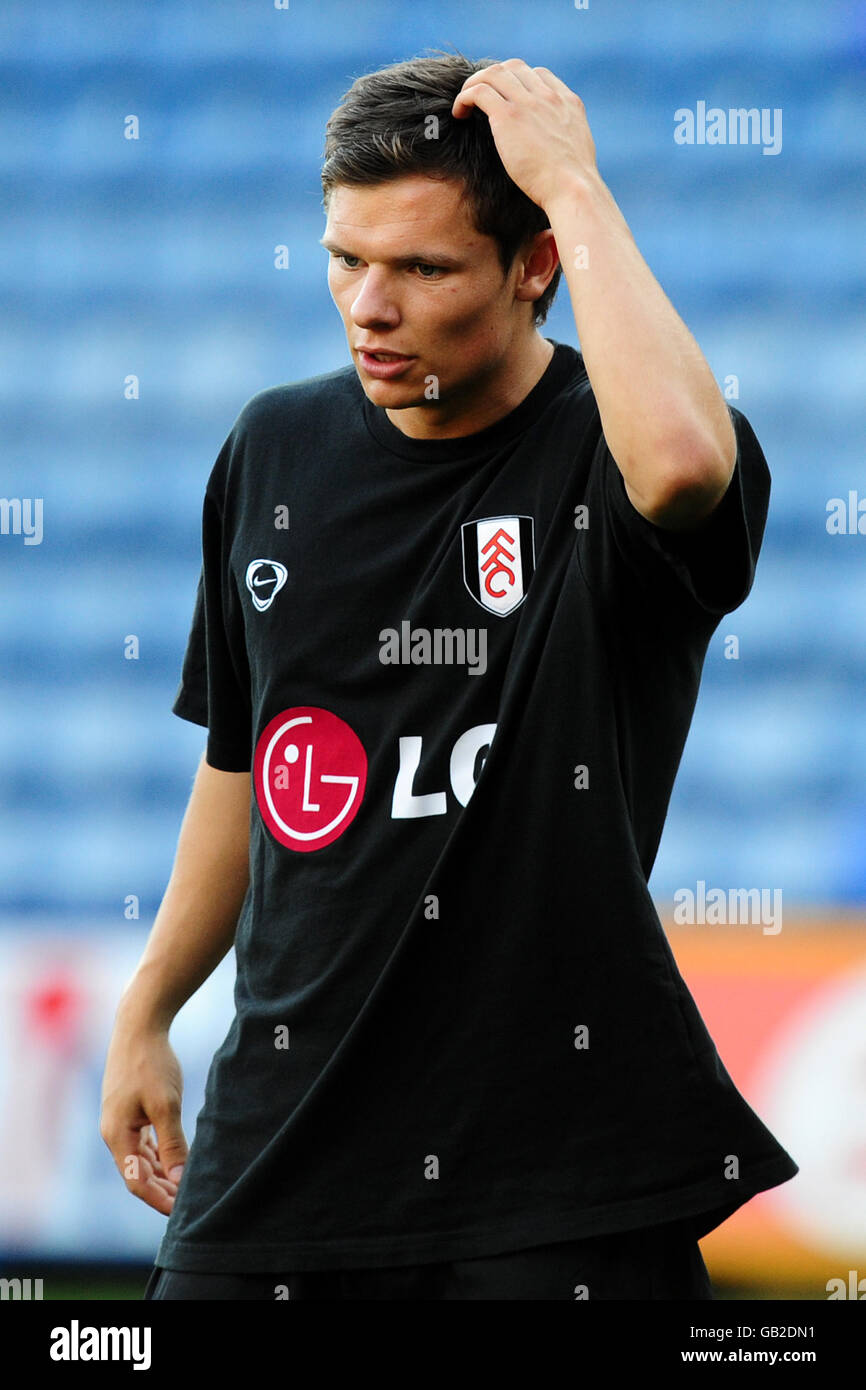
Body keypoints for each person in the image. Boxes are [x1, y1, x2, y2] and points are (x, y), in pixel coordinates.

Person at [100, 51, 798, 1301]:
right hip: (284, 1139)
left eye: (421, 268)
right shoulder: (274, 446)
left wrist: (573, 188)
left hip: (555, 1162)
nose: (368, 304)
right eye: (343, 258)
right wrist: (149, 1005)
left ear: (532, 268)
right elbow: (251, 759)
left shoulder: (617, 450)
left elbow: (688, 469)